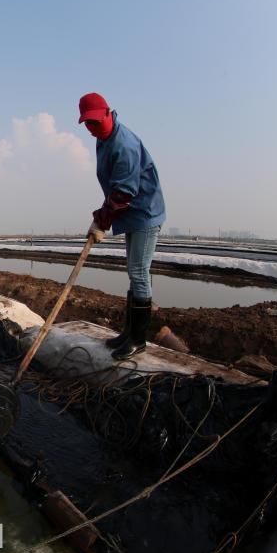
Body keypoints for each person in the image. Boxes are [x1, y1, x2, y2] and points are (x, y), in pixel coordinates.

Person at [79, 92, 166, 360]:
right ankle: (129, 333)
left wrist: (102, 222)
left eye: (96, 122)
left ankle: (138, 340)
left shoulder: (123, 144)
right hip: (130, 212)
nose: (94, 128)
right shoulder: (104, 139)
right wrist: (100, 216)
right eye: (88, 124)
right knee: (134, 271)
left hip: (144, 212)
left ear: (108, 113)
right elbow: (115, 187)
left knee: (139, 271)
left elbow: (124, 191)